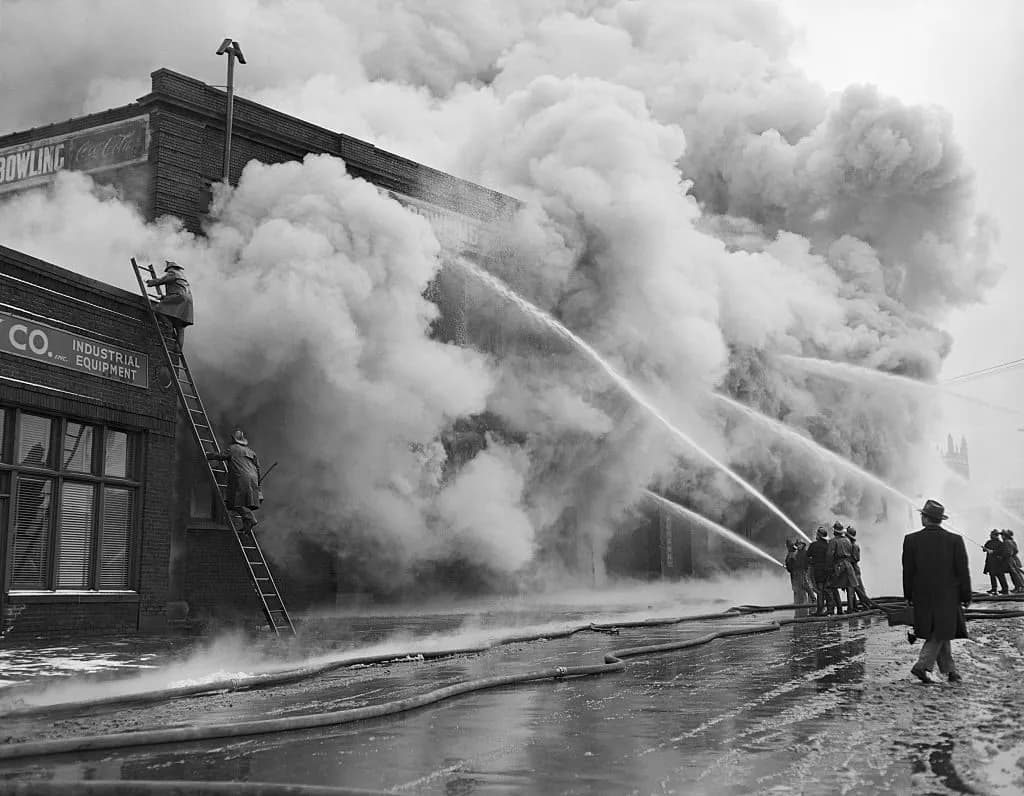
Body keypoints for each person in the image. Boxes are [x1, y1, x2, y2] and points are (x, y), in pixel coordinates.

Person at [902, 499, 971, 684]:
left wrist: (908, 595)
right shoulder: (955, 540)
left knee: (939, 631)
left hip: (922, 595)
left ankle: (950, 671)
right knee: (941, 630)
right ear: (940, 519)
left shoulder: (911, 540)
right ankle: (922, 666)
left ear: (925, 518)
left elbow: (908, 572)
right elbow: (962, 571)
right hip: (948, 596)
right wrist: (966, 595)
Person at [206, 428, 262, 533]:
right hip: (253, 478)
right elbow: (258, 469)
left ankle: (250, 518)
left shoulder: (233, 448)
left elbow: (221, 456)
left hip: (240, 477)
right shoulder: (251, 452)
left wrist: (209, 455)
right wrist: (259, 489)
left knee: (234, 503)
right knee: (243, 502)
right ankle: (246, 526)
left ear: (233, 439)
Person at [146, 261, 194, 350]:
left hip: (179, 298)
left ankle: (169, 327)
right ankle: (178, 349)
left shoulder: (173, 273)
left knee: (158, 309)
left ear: (170, 268)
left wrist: (150, 282)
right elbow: (178, 289)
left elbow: (162, 280)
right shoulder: (182, 277)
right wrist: (163, 297)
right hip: (187, 302)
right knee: (180, 327)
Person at [828, 522, 858, 614]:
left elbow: (830, 555)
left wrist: (829, 567)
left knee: (832, 586)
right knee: (850, 586)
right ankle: (851, 609)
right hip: (848, 565)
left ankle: (840, 609)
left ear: (835, 531)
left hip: (839, 566)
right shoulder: (847, 540)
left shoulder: (833, 541)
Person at [807, 526, 838, 615]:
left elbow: (808, 555)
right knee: (828, 590)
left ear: (818, 535)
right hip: (827, 570)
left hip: (817, 571)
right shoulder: (828, 545)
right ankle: (830, 610)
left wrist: (812, 561)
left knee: (820, 591)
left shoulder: (813, 545)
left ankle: (820, 610)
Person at [846, 526, 877, 610]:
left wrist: (846, 559)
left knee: (859, 590)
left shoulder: (854, 546)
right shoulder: (848, 545)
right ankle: (853, 607)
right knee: (851, 590)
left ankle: (866, 605)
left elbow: (856, 558)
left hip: (854, 571)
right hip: (849, 570)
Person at [785, 539, 816, 605]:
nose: (799, 546)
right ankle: (800, 602)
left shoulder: (804, 553)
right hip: (796, 573)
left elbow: (808, 562)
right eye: (798, 545)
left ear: (803, 545)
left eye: (800, 544)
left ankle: (813, 599)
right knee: (798, 588)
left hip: (802, 572)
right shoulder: (795, 553)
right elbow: (790, 563)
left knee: (805, 586)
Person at [983, 529, 1010, 595]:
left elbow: (1001, 552)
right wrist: (985, 549)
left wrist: (993, 552)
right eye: (992, 535)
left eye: (994, 535)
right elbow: (984, 549)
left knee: (1000, 575)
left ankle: (1005, 589)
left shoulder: (1000, 543)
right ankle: (994, 589)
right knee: (992, 575)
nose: (992, 536)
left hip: (998, 562)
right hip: (990, 562)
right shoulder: (989, 542)